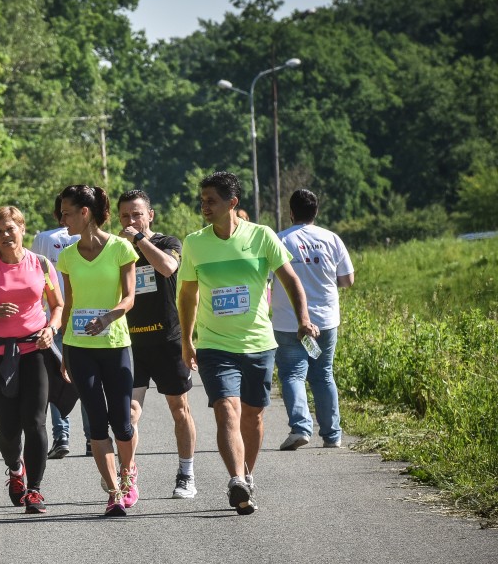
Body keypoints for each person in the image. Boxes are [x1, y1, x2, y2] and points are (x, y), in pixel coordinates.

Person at [178, 172, 318, 515]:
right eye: (202, 200)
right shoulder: (194, 243)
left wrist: (303, 319)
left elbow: (291, 281)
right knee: (226, 410)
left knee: (253, 416)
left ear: (232, 203)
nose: (204, 206)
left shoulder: (262, 237)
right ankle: (236, 480)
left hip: (258, 343)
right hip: (214, 344)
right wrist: (187, 338)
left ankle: (247, 475)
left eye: (211, 200)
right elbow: (187, 295)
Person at [0, 206, 63, 514]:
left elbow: (57, 305)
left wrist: (51, 328)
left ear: (22, 229)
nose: (5, 235)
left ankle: (35, 490)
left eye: (10, 229)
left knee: (35, 422)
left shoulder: (41, 264)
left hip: (36, 351)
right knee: (7, 429)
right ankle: (15, 467)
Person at [55, 186, 140, 516]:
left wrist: (108, 316)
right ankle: (113, 492)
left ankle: (128, 472)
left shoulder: (121, 248)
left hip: (115, 344)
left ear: (85, 213)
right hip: (78, 348)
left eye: (66, 212)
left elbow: (130, 297)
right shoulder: (67, 256)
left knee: (122, 422)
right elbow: (70, 303)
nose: (62, 219)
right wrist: (63, 350)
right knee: (95, 424)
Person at [116, 190, 200, 499]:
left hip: (167, 340)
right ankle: (129, 474)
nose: (130, 220)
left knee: (179, 409)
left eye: (136, 214)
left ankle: (186, 474)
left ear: (150, 215)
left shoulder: (168, 243)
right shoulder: (116, 249)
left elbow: (167, 268)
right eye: (125, 216)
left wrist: (138, 240)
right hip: (132, 342)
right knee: (128, 414)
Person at [271, 189, 355, 450]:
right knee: (323, 375)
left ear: (291, 212)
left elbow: (266, 281)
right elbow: (347, 280)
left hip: (288, 322)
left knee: (292, 374)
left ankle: (300, 427)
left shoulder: (280, 240)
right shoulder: (331, 239)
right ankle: (332, 435)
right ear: (316, 212)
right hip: (326, 320)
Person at [31, 195, 84, 459]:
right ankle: (93, 436)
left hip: (52, 315)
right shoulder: (85, 236)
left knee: (57, 376)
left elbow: (35, 276)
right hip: (84, 314)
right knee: (86, 376)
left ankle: (61, 436)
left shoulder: (43, 239)